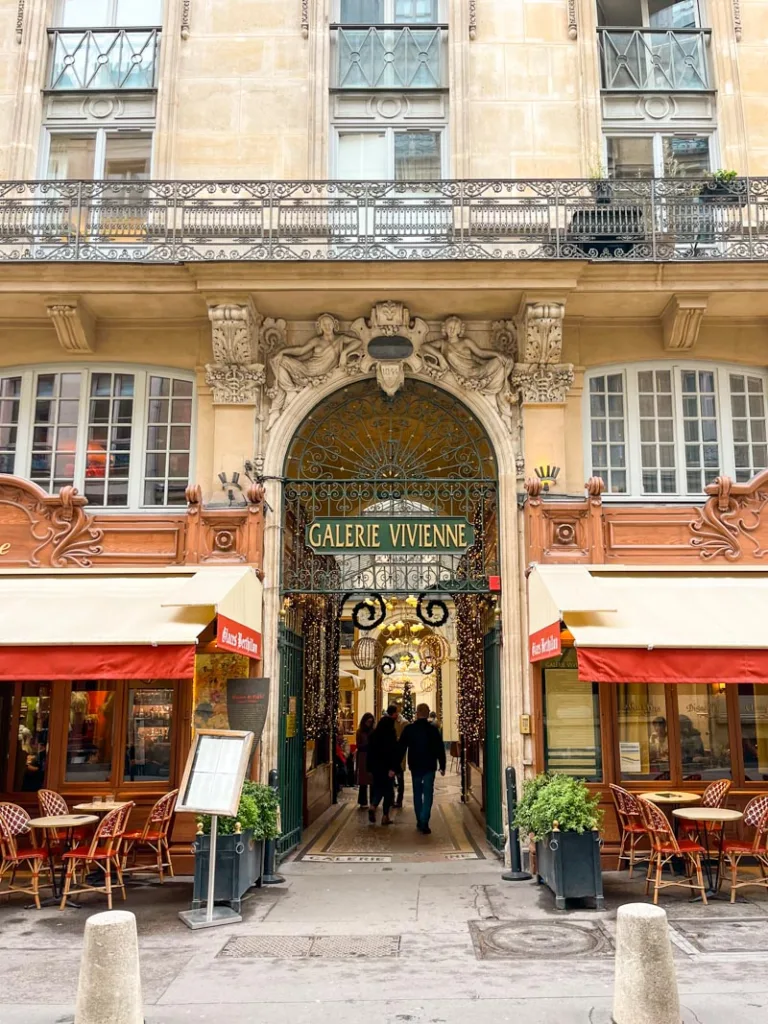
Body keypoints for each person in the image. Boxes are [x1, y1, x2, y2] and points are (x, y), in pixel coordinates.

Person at [398, 703, 446, 835]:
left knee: (417, 793)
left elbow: (401, 748)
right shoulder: (433, 730)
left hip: (415, 765)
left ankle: (420, 819)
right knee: (428, 793)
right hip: (429, 765)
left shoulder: (409, 729)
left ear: (417, 713)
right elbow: (440, 748)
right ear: (428, 713)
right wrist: (442, 765)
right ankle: (424, 819)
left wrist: (395, 765)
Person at [366, 711, 400, 825]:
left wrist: (369, 768)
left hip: (376, 768)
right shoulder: (391, 736)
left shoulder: (373, 736)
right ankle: (385, 816)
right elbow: (394, 754)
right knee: (388, 791)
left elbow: (369, 753)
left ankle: (373, 806)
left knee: (379, 789)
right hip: (388, 768)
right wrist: (394, 768)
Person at [355, 712, 375, 809]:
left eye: (371, 722)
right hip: (363, 756)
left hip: (372, 756)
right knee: (363, 780)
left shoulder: (373, 731)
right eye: (368, 722)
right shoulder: (360, 732)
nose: (369, 724)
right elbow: (358, 745)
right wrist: (366, 746)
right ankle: (363, 801)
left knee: (372, 780)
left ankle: (373, 801)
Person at [391, 703, 407, 809]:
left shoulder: (403, 723)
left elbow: (405, 738)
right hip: (390, 755)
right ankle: (391, 799)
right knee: (390, 780)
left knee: (400, 779)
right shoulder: (388, 721)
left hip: (399, 756)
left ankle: (399, 800)